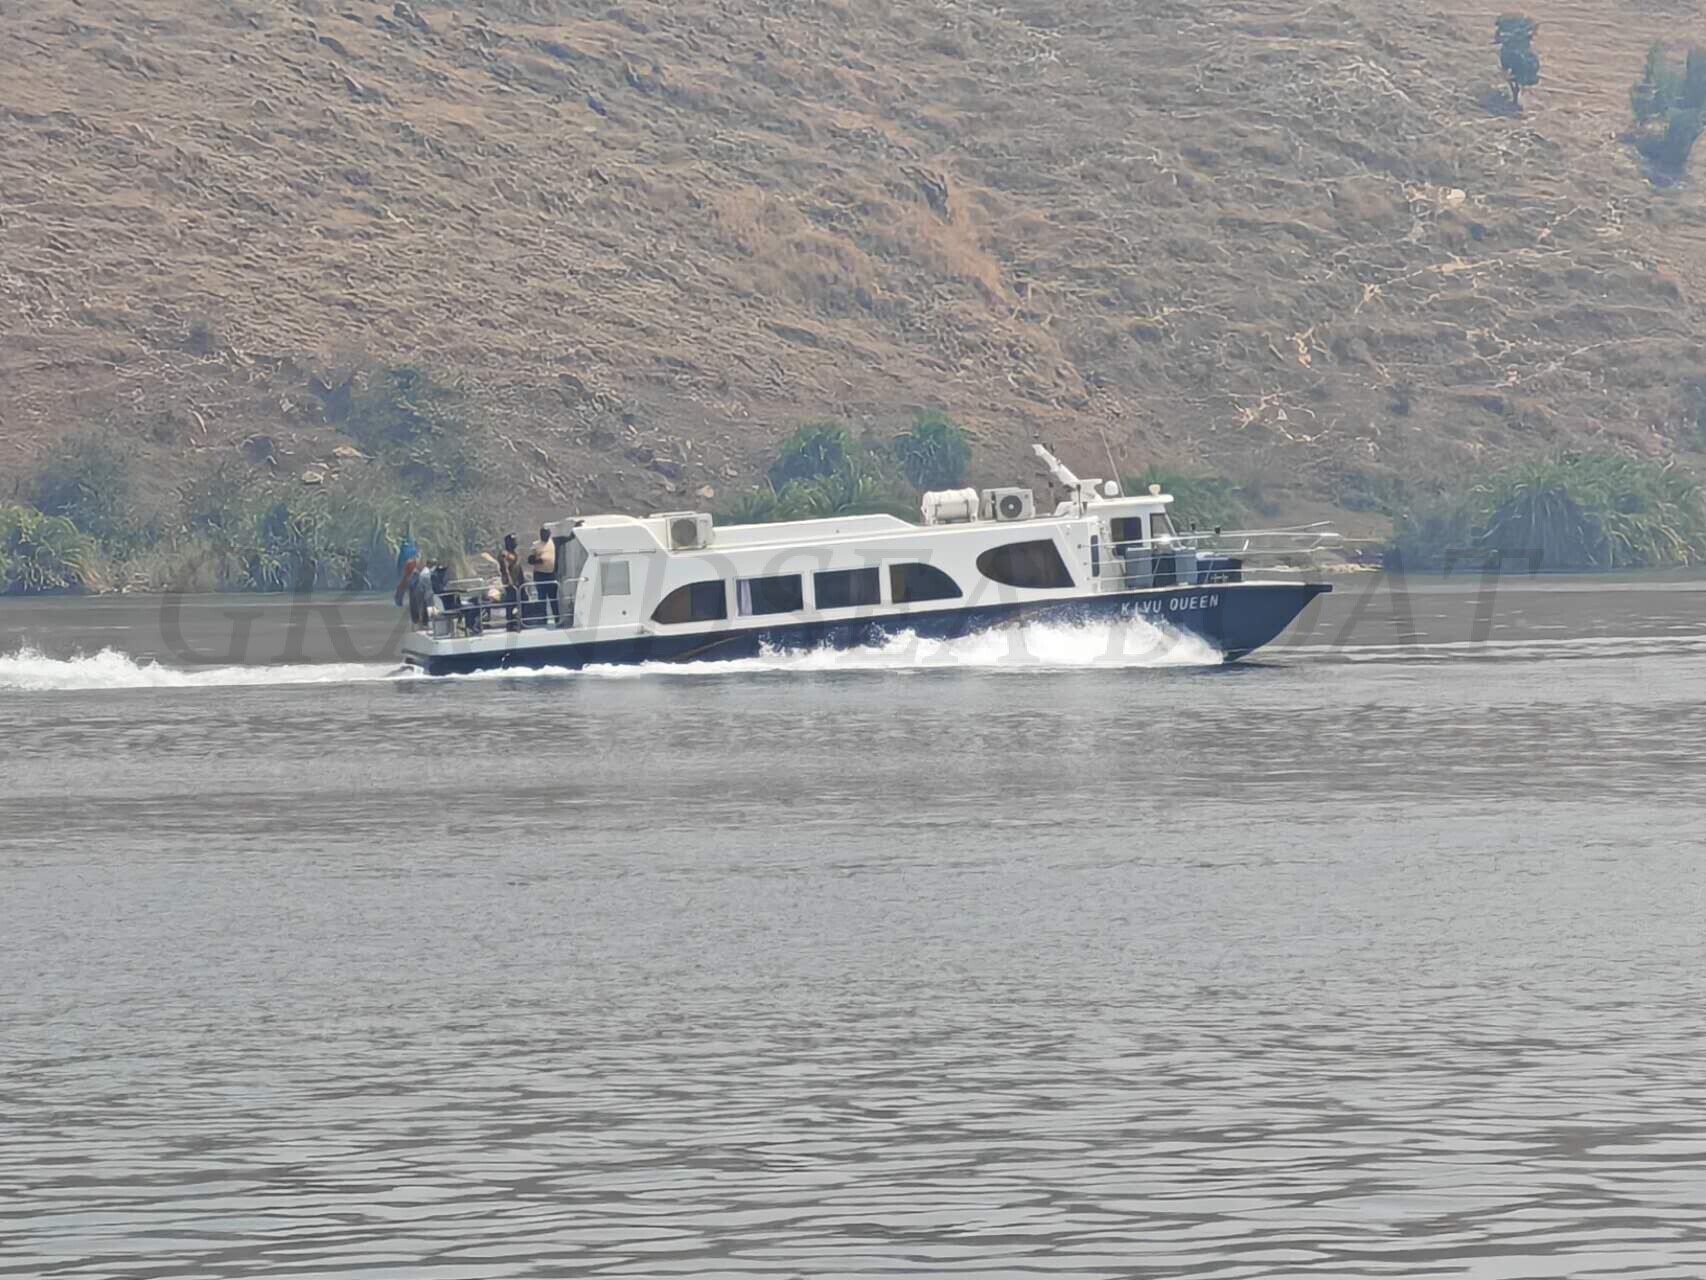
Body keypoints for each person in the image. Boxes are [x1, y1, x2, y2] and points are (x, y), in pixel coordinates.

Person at [527, 526, 560, 625]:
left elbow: (566, 539)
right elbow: (530, 560)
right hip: (540, 575)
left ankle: (557, 618)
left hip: (551, 574)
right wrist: (537, 560)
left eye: (545, 533)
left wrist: (575, 528)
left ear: (549, 533)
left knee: (553, 598)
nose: (543, 535)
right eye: (542, 533)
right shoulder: (535, 545)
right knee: (542, 599)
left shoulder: (553, 542)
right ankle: (543, 619)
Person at [497, 533, 526, 631]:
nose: (515, 542)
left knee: (523, 602)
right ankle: (510, 624)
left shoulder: (515, 553)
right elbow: (505, 568)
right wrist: (509, 581)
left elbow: (519, 568)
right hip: (511, 584)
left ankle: (521, 621)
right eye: (513, 541)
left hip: (519, 583)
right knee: (511, 604)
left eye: (515, 541)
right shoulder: (504, 553)